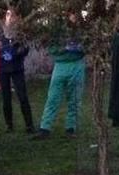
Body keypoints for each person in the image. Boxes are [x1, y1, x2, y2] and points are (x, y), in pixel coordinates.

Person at [33, 11, 85, 140]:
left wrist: (81, 47)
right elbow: (50, 47)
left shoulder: (83, 27)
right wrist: (64, 48)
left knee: (74, 98)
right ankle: (44, 128)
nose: (74, 16)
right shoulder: (58, 28)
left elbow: (90, 44)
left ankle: (70, 128)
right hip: (61, 65)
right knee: (53, 97)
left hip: (77, 64)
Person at [0, 8, 35, 133]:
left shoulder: (20, 33)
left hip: (17, 68)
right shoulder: (0, 33)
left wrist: (16, 54)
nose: (10, 17)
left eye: (12, 15)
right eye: (8, 14)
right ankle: (9, 125)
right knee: (6, 97)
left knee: (22, 96)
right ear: (5, 17)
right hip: (3, 69)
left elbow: (25, 49)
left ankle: (29, 125)